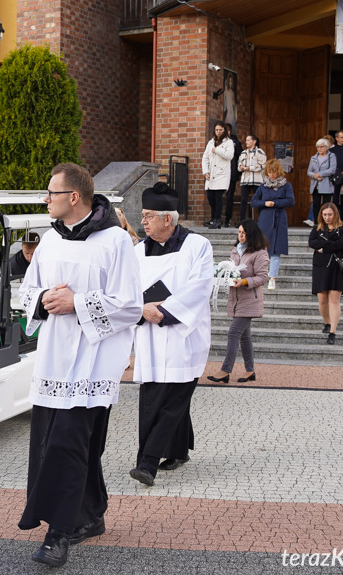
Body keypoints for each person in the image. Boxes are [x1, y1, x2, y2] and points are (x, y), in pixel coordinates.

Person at [17, 163, 142, 568]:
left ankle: (58, 533)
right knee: (62, 442)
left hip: (93, 364)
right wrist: (42, 301)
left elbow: (130, 305)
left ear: (74, 197)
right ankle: (91, 515)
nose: (45, 199)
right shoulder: (50, 241)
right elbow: (28, 290)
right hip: (55, 360)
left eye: (51, 193)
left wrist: (79, 303)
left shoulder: (115, 242)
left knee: (66, 446)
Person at [130, 181, 213, 486]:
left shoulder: (198, 245)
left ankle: (147, 463)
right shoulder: (138, 251)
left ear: (168, 218)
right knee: (154, 396)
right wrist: (140, 309)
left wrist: (163, 312)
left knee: (172, 399)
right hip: (149, 335)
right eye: (142, 215)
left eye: (148, 215)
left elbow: (199, 287)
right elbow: (127, 287)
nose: (143, 221)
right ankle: (178, 449)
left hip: (183, 335)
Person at [206, 219, 269, 384]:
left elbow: (263, 277)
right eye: (239, 232)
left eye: (243, 233)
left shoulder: (260, 253)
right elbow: (230, 270)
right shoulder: (235, 250)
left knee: (234, 333)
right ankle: (250, 371)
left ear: (251, 234)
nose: (240, 236)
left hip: (250, 299)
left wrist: (245, 281)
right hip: (235, 297)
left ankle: (225, 371)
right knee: (245, 337)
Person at [309, 203, 343, 345]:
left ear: (335, 214)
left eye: (330, 214)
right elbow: (312, 242)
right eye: (324, 214)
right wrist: (330, 245)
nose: (327, 217)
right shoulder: (317, 228)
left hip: (337, 266)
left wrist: (324, 247)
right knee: (321, 299)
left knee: (334, 299)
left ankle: (333, 331)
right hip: (320, 266)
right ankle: (327, 322)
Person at [250, 159, 294, 291]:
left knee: (276, 250)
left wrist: (275, 203)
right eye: (269, 172)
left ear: (278, 171)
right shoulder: (262, 186)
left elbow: (291, 201)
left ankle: (272, 277)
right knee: (262, 248)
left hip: (279, 219)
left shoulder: (286, 186)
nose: (272, 175)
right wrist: (265, 204)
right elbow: (253, 202)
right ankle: (261, 274)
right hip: (265, 219)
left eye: (274, 172)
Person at [202, 121, 235, 229]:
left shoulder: (229, 142)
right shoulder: (211, 142)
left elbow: (229, 155)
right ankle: (213, 219)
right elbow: (205, 158)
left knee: (218, 197)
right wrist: (206, 171)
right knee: (210, 197)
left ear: (224, 130)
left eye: (220, 130)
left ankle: (217, 219)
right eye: (217, 130)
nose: (218, 132)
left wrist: (217, 150)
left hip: (222, 174)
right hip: (211, 174)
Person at [307, 138, 338, 221]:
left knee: (326, 204)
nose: (319, 149)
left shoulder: (331, 156)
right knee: (316, 204)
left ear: (327, 147)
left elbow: (332, 170)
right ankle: (316, 222)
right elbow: (309, 171)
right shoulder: (313, 157)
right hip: (315, 184)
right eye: (318, 147)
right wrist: (314, 175)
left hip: (326, 183)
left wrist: (320, 174)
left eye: (321, 147)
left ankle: (325, 221)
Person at [238, 134, 266, 223]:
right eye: (246, 140)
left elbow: (262, 165)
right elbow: (239, 165)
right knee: (243, 200)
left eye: (248, 140)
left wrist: (250, 168)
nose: (246, 142)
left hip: (256, 180)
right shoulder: (243, 153)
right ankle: (242, 221)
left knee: (258, 200)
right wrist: (241, 167)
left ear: (254, 141)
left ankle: (262, 220)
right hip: (245, 180)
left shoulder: (259, 152)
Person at [223, 123, 244, 227]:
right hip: (220, 174)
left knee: (229, 197)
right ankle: (216, 218)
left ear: (228, 131)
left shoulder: (235, 143)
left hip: (231, 173)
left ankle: (227, 220)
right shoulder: (217, 142)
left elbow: (240, 157)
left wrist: (238, 172)